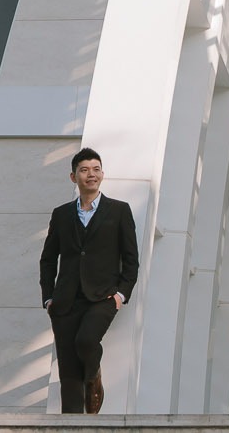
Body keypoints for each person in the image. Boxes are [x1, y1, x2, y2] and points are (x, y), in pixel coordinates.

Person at [38, 147, 140, 414]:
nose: (90, 174)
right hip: (65, 301)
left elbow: (131, 259)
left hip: (102, 297)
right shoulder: (61, 214)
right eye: (84, 170)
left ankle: (93, 376)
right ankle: (70, 425)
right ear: (74, 177)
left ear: (102, 174)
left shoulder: (119, 211)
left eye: (96, 169)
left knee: (86, 341)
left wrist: (121, 295)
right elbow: (48, 259)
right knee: (69, 374)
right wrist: (48, 298)